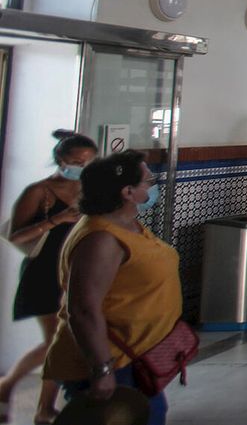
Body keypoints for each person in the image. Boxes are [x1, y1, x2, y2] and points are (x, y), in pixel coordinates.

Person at [43, 152, 181, 425]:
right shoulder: (101, 239)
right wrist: (101, 369)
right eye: (148, 181)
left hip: (135, 358)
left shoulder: (126, 224)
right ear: (128, 192)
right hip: (112, 362)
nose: (152, 186)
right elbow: (83, 309)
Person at [3, 130, 96, 424]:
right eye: (76, 161)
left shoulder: (91, 189)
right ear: (60, 159)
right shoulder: (39, 192)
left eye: (88, 162)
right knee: (58, 341)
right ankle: (38, 403)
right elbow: (15, 235)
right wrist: (57, 219)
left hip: (75, 270)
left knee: (63, 341)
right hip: (43, 272)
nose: (81, 167)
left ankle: (22, 394)